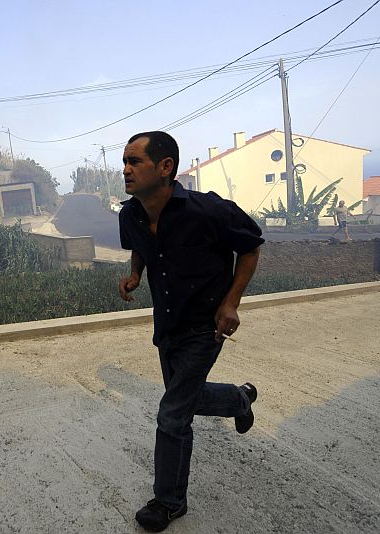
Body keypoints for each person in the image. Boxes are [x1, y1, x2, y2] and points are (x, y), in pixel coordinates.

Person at [117, 131, 263, 532]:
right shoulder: (130, 215)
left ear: (165, 167)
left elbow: (250, 247)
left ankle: (169, 502)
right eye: (124, 162)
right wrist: (135, 273)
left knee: (172, 415)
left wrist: (231, 303)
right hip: (167, 324)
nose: (126, 169)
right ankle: (239, 399)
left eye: (135, 161)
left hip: (205, 326)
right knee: (189, 398)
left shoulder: (207, 210)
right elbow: (141, 246)